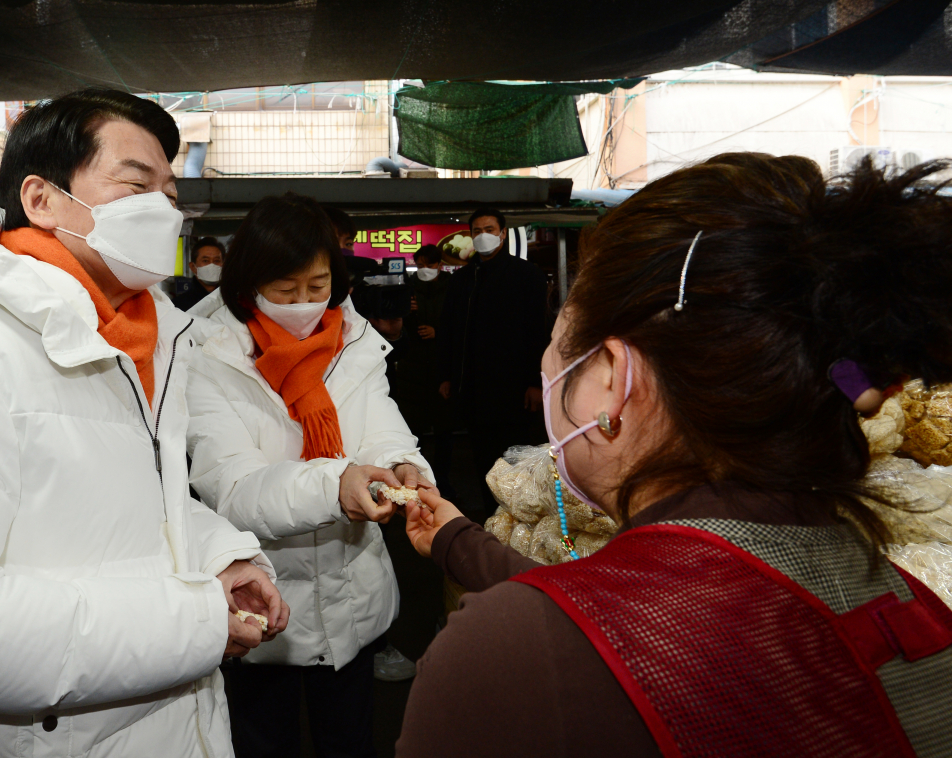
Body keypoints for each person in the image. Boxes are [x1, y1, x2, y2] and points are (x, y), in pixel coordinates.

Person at [396, 153, 952, 757]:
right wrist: (456, 540)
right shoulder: (915, 609)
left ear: (614, 378)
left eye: (558, 343)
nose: (549, 366)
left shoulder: (506, 656)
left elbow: (609, 627)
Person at [0, 89, 286, 758]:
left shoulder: (135, 346)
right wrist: (197, 620)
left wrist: (220, 555)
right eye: (136, 185)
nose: (163, 209)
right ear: (41, 199)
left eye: (170, 192)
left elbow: (122, 506)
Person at [186, 193, 436, 758]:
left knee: (349, 740)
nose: (304, 304)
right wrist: (336, 485)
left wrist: (403, 467)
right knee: (263, 742)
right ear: (249, 283)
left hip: (354, 603)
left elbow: (380, 426)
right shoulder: (206, 355)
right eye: (285, 290)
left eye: (317, 286)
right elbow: (234, 489)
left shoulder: (353, 339)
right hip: (263, 606)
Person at [438, 208, 548, 510]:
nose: (483, 235)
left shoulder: (527, 275)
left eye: (489, 229)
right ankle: (493, 519)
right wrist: (446, 376)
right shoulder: (462, 279)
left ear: (502, 233)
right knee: (483, 461)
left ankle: (522, 519)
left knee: (517, 461)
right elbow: (448, 330)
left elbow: (538, 331)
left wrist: (535, 382)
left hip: (515, 390)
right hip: (474, 391)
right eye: (477, 231)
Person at [396, 244, 457, 498]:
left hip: (442, 369)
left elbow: (457, 325)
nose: (425, 270)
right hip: (413, 370)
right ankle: (416, 482)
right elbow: (396, 331)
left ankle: (443, 481)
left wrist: (437, 332)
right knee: (413, 433)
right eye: (420, 265)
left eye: (429, 265)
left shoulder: (452, 288)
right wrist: (405, 312)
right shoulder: (407, 289)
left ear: (440, 265)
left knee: (444, 431)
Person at [174, 235, 225, 311]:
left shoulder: (234, 301)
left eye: (216, 261)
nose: (211, 265)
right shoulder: (178, 305)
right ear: (193, 267)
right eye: (205, 261)